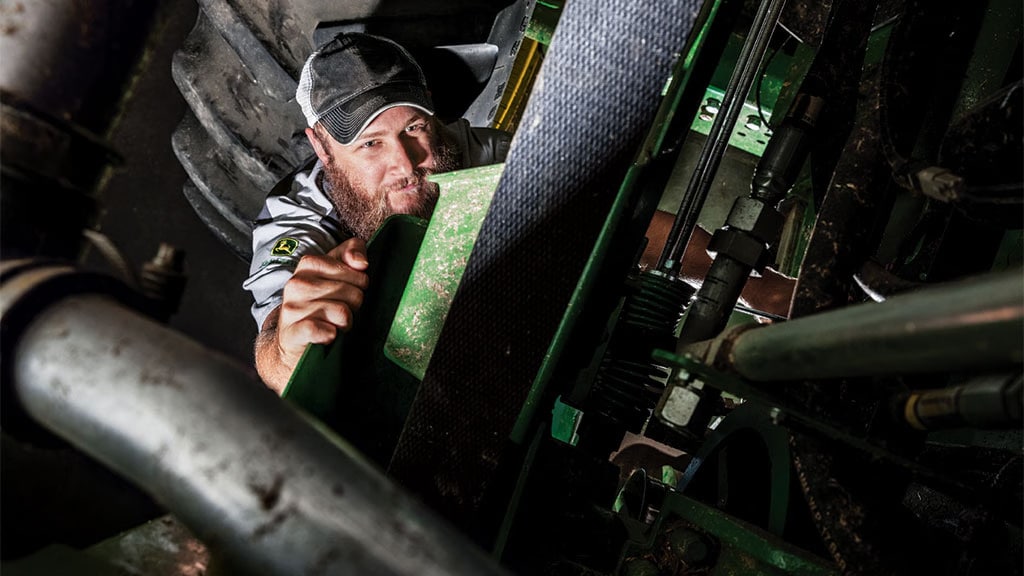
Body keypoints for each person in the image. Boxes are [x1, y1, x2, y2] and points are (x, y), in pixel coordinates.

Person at [244, 32, 511, 392]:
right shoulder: (300, 216)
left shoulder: (466, 149)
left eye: (413, 128)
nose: (404, 165)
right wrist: (288, 353)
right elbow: (276, 343)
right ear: (321, 146)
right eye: (371, 144)